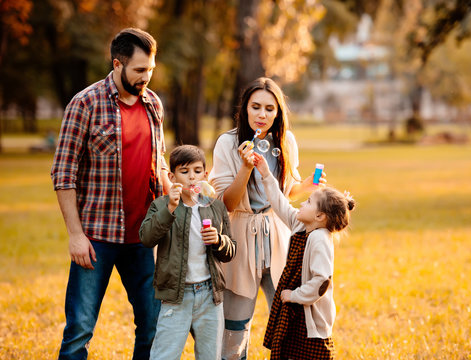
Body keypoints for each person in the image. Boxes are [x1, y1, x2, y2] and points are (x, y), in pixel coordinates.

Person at [51, 28, 171, 360]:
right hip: (96, 238)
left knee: (153, 325)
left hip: (144, 238)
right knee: (80, 330)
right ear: (117, 64)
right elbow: (63, 173)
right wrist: (76, 235)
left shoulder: (153, 105)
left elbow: (158, 162)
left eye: (150, 69)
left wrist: (172, 197)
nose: (146, 77)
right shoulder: (84, 103)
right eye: (139, 70)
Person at [208, 77, 325, 359]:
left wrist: (305, 185)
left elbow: (283, 193)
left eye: (270, 109)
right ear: (245, 109)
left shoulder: (285, 141)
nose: (262, 115)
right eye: (256, 107)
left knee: (289, 319)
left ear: (278, 112)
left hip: (279, 237)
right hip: (238, 239)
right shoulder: (227, 142)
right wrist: (245, 168)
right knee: (235, 329)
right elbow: (226, 203)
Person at [139, 145, 236, 360]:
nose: (192, 177)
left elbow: (230, 251)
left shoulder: (216, 207)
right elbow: (146, 238)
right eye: (184, 172)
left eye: (197, 171)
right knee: (164, 354)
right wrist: (170, 209)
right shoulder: (161, 205)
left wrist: (219, 241)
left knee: (210, 355)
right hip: (176, 295)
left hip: (210, 295)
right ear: (173, 176)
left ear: (205, 174)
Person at [255, 154, 355, 359]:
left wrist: (294, 296)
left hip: (309, 315)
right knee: (287, 350)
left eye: (308, 202)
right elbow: (280, 204)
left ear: (320, 216)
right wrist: (265, 173)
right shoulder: (302, 225)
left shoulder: (320, 238)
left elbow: (321, 281)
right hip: (295, 309)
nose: (301, 204)